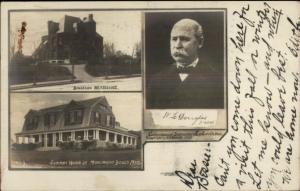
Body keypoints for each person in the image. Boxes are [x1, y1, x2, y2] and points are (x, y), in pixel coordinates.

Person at [147, 18, 224, 109]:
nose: (177, 45)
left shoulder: (218, 82)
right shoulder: (156, 81)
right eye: (174, 39)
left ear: (200, 42)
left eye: (184, 39)